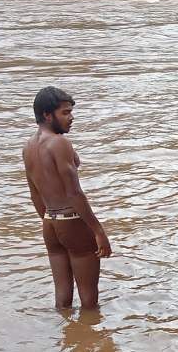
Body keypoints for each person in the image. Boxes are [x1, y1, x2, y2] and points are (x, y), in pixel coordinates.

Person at [23, 86, 112, 310]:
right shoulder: (59, 143)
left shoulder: (28, 147)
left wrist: (49, 220)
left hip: (50, 223)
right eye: (65, 113)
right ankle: (88, 338)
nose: (71, 118)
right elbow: (74, 192)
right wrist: (98, 231)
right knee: (89, 299)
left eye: (71, 112)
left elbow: (34, 192)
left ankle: (68, 338)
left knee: (62, 297)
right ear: (47, 114)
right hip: (72, 221)